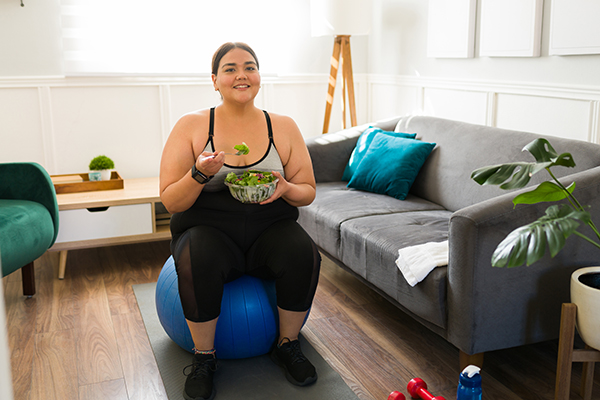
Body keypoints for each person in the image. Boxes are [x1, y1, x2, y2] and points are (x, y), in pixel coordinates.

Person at [159, 42, 321, 400]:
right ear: (215, 80)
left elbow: (308, 190)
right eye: (230, 69)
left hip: (270, 227)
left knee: (303, 251)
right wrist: (200, 174)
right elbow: (171, 199)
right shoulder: (192, 125)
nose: (241, 75)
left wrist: (285, 188)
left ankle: (288, 344)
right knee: (197, 254)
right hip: (209, 229)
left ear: (259, 77)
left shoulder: (283, 126)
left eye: (249, 67)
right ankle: (204, 358)